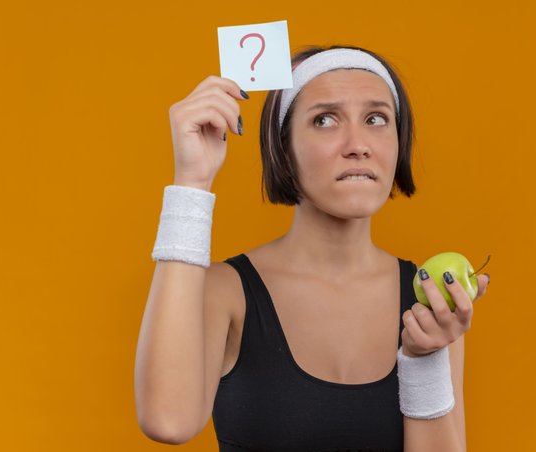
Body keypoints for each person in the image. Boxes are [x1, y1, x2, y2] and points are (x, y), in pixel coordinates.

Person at [135, 45, 489, 451]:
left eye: (376, 119)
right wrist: (191, 184)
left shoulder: (430, 300)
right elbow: (167, 420)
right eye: (324, 120)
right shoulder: (226, 291)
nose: (358, 144)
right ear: (283, 146)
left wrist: (423, 360)